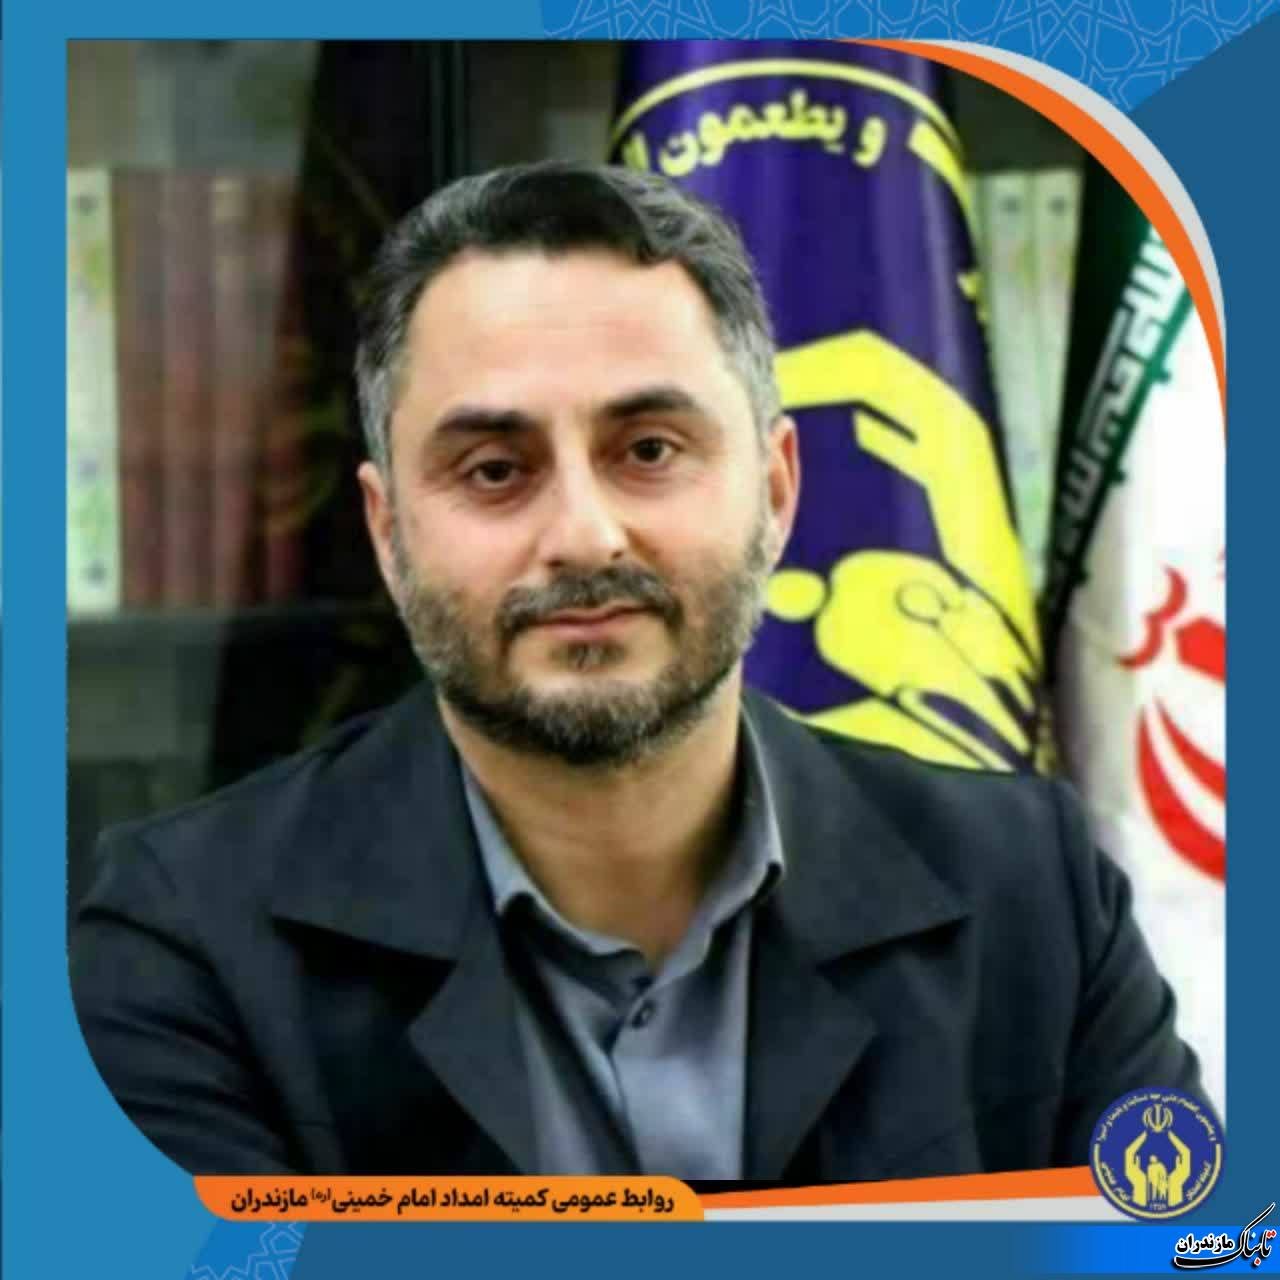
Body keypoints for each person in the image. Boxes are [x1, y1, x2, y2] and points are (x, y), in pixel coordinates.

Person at [70, 161, 1206, 1182]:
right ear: (386, 531)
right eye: (494, 468)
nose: (584, 535)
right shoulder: (184, 943)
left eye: (649, 450)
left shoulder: (1032, 895)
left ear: (774, 490)